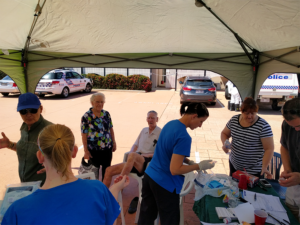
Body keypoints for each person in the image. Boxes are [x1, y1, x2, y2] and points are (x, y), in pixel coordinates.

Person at [2, 124, 129, 225]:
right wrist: (115, 188)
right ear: (74, 152)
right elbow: (110, 218)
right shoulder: (98, 189)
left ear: (40, 157)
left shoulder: (17, 211)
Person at [138, 103, 215, 225]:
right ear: (194, 116)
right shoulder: (184, 137)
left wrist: (188, 161)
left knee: (146, 218)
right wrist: (199, 166)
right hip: (164, 184)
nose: (200, 126)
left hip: (149, 176)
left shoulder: (170, 124)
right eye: (201, 121)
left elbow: (169, 150)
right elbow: (175, 169)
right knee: (170, 220)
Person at [103, 110, 161, 213]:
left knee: (133, 155)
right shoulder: (143, 130)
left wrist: (144, 155)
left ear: (157, 119)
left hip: (146, 162)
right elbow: (135, 145)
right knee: (108, 170)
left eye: (153, 118)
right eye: (149, 118)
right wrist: (130, 152)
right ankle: (104, 199)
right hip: (133, 160)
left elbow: (160, 152)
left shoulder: (160, 132)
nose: (150, 120)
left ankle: (119, 186)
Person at [0, 92, 52, 183]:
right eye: (23, 111)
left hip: (44, 186)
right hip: (26, 185)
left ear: (41, 109)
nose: (28, 115)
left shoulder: (50, 130)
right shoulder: (24, 127)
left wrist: (53, 166)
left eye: (33, 110)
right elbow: (26, 149)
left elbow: (64, 157)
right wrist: (10, 145)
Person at [221, 97, 274, 178]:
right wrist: (226, 143)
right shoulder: (234, 120)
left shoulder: (263, 126)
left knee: (250, 190)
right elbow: (224, 133)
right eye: (246, 113)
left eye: (253, 113)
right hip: (234, 165)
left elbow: (269, 148)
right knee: (234, 188)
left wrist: (264, 167)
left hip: (253, 170)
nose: (250, 116)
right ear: (241, 111)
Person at [81, 92, 116, 181]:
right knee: (93, 174)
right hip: (93, 150)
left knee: (107, 171)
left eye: (102, 102)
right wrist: (86, 150)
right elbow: (84, 134)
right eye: (97, 102)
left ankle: (104, 190)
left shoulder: (106, 114)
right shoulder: (86, 116)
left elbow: (110, 129)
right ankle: (95, 191)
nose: (100, 104)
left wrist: (114, 142)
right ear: (92, 102)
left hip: (107, 148)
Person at [279, 98, 300, 222]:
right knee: (290, 215)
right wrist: (287, 170)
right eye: (292, 127)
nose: (296, 130)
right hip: (294, 185)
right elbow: (284, 147)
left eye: (298, 126)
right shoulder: (287, 124)